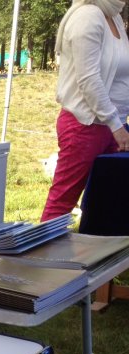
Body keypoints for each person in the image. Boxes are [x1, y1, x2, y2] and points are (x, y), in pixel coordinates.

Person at [40, 0, 129, 222]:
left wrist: (117, 124)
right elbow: (88, 79)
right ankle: (41, 255)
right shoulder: (88, 17)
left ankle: (97, 253)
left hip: (114, 125)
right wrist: (116, 125)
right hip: (86, 125)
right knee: (62, 202)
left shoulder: (115, 17)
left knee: (109, 201)